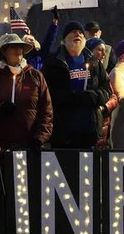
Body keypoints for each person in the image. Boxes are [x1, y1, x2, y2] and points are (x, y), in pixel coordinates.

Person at [42, 21, 112, 149]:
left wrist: (95, 96)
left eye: (80, 32)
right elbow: (45, 93)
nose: (78, 35)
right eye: (73, 32)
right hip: (63, 129)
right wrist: (71, 97)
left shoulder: (94, 62)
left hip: (89, 128)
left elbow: (107, 88)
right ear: (64, 39)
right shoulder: (53, 62)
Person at [0, 33, 53, 149]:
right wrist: (0, 108)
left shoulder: (36, 76)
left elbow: (47, 111)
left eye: (20, 46)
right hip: (1, 147)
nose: (18, 50)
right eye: (13, 47)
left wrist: (39, 139)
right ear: (4, 52)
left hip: (31, 145)